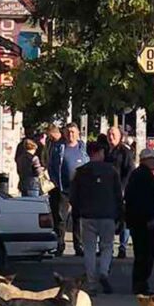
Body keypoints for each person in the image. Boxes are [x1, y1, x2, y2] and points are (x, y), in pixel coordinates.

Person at [69, 141, 123, 294]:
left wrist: (78, 211)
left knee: (89, 249)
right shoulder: (112, 171)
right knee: (107, 247)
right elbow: (118, 195)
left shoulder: (80, 172)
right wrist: (119, 214)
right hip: (108, 215)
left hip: (87, 216)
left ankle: (92, 283)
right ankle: (104, 272)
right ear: (100, 152)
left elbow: (73, 196)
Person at [48, 122, 88, 256]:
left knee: (78, 218)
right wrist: (55, 182)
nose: (70, 134)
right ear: (64, 134)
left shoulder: (82, 148)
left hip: (80, 189)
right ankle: (60, 245)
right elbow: (51, 166)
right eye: (68, 132)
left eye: (73, 132)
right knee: (61, 218)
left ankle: (79, 245)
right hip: (63, 188)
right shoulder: (59, 148)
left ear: (77, 134)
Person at [125, 148, 154, 295]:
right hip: (144, 221)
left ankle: (139, 283)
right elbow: (146, 201)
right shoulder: (145, 177)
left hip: (136, 220)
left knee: (141, 254)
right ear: (147, 160)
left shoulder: (136, 175)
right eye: (153, 160)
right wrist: (150, 218)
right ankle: (140, 283)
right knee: (146, 254)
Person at [105, 125, 135, 258]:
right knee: (108, 220)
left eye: (114, 135)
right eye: (109, 135)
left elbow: (130, 171)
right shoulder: (105, 151)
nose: (111, 138)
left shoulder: (125, 152)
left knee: (124, 221)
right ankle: (107, 247)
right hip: (107, 191)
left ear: (120, 137)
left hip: (122, 190)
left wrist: (123, 188)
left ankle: (122, 247)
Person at [14, 127, 38, 196]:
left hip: (23, 180)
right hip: (33, 182)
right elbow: (38, 171)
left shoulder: (20, 145)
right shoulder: (35, 146)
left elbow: (16, 159)